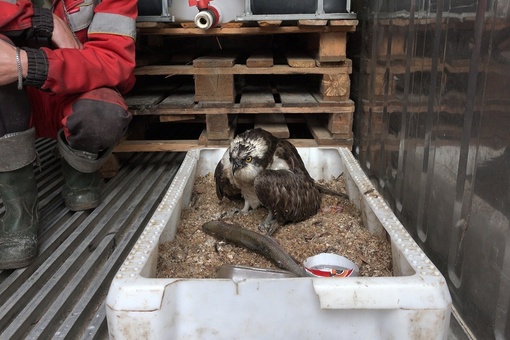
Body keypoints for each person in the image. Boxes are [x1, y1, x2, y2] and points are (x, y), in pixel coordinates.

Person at [0, 0, 137, 270]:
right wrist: (42, 21)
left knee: (102, 117)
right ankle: (20, 213)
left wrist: (30, 64)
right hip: (15, 98)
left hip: (76, 88)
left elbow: (114, 62)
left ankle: (80, 169)